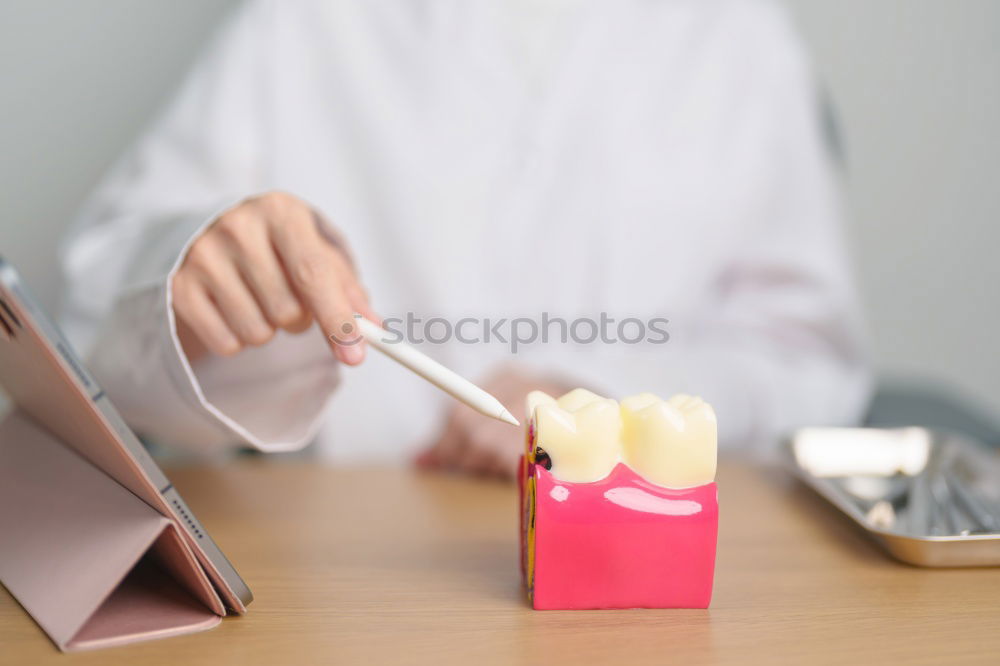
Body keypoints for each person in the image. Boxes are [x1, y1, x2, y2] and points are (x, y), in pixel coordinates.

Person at [60, 0, 871, 477]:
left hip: (641, 571)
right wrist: (189, 278)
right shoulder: (306, 22)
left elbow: (809, 360)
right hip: (349, 570)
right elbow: (94, 313)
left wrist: (608, 396)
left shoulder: (735, 35)